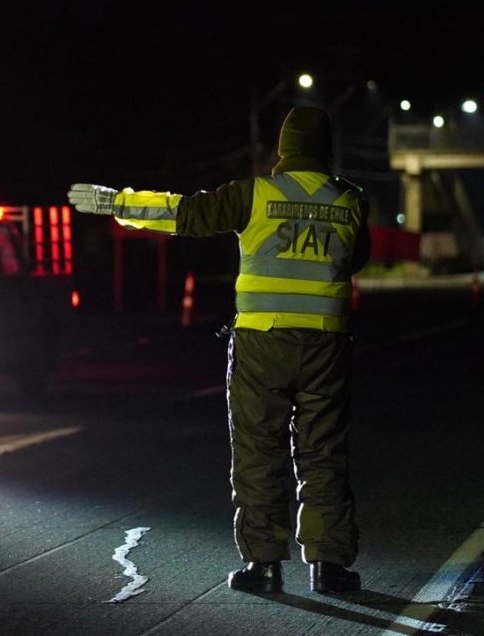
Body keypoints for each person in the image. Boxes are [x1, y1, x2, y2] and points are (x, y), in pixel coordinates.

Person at [68, 106, 369, 595]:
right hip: (326, 344)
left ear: (283, 148)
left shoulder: (256, 194)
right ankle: (331, 567)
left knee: (258, 452)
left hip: (262, 342)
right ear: (325, 149)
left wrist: (115, 202)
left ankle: (265, 566)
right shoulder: (352, 201)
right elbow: (356, 258)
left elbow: (184, 213)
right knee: (324, 454)